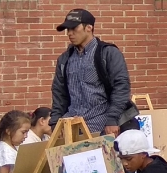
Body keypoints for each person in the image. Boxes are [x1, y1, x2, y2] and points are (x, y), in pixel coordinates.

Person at [51, 8, 141, 137]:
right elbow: (58, 92)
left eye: (74, 28)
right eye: (67, 30)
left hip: (104, 125)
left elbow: (121, 86)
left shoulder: (108, 53)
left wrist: (112, 118)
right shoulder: (65, 59)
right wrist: (55, 121)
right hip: (73, 126)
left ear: (89, 27)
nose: (69, 33)